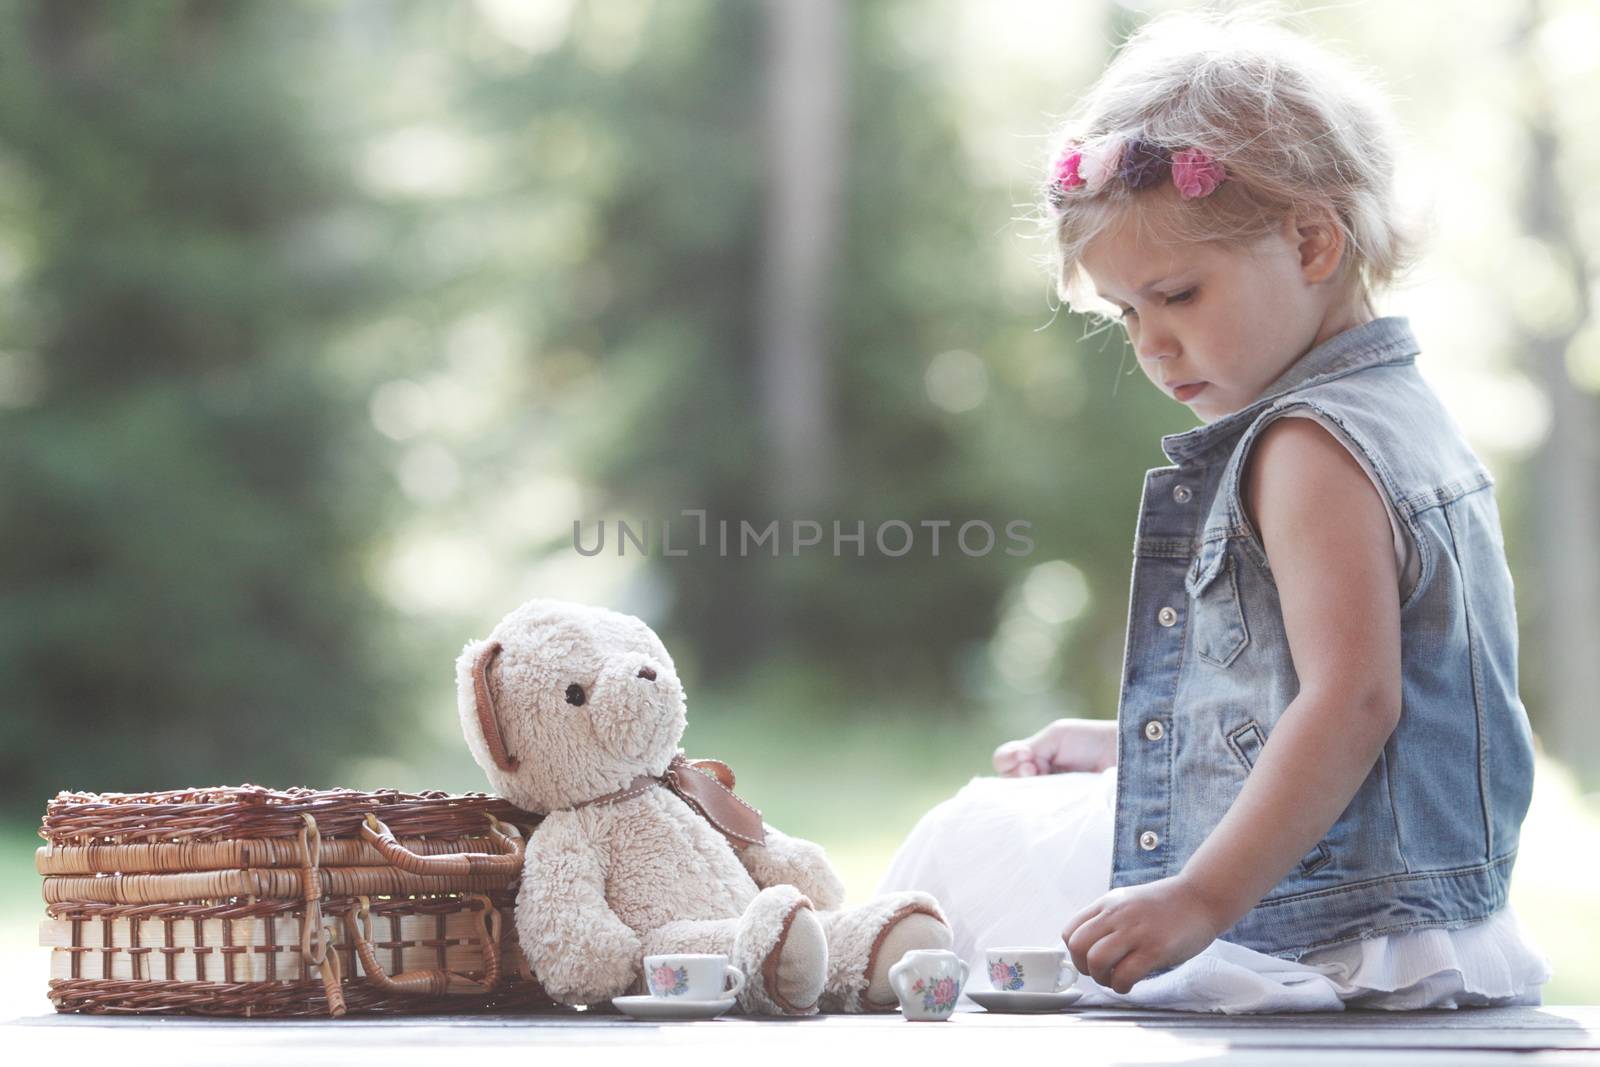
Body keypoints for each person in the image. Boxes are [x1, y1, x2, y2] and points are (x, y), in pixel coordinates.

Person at [877, 8, 1550, 1011]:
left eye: (1179, 294)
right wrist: (1138, 739)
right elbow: (1325, 693)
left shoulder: (1309, 446)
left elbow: (1353, 703)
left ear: (1312, 239)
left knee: (973, 840)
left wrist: (1198, 897)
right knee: (1032, 820)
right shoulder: (1400, 408)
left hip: (1317, 920)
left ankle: (848, 974)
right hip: (1417, 897)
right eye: (1126, 314)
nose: (1151, 344)